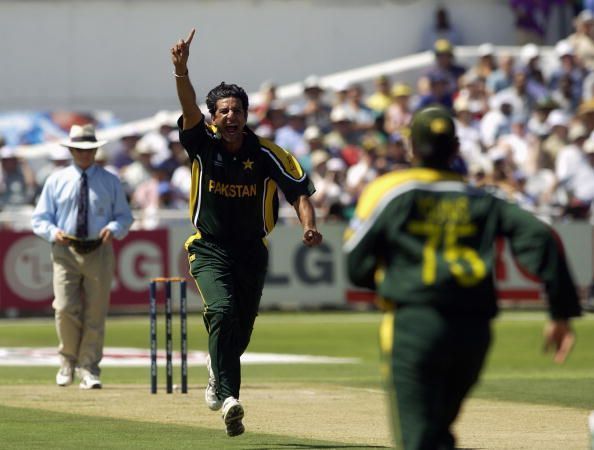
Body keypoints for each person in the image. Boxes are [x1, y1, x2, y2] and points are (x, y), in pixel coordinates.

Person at [343, 106, 581, 450]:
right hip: (474, 331)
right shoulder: (482, 199)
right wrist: (560, 312)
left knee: (419, 437)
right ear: (455, 148)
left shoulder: (394, 193)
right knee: (439, 431)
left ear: (412, 147)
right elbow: (541, 237)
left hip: (416, 324)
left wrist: (389, 281)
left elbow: (356, 265)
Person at [170, 29, 322, 437]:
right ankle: (229, 400)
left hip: (252, 250)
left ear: (246, 114)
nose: (230, 117)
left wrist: (309, 226)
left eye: (237, 110)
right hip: (210, 247)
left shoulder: (267, 153)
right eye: (223, 111)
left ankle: (216, 375)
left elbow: (299, 192)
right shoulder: (203, 143)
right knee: (220, 312)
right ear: (213, 117)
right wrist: (182, 73)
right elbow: (188, 110)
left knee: (239, 330)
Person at [31, 124, 133, 390]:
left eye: (89, 150)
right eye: (79, 149)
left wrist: (113, 228)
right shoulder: (56, 179)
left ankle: (89, 367)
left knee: (95, 311)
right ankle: (67, 362)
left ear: (96, 150)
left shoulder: (109, 180)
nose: (84, 154)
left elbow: (124, 216)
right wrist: (54, 232)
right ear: (71, 150)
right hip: (65, 249)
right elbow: (40, 218)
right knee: (64, 308)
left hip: (98, 248)